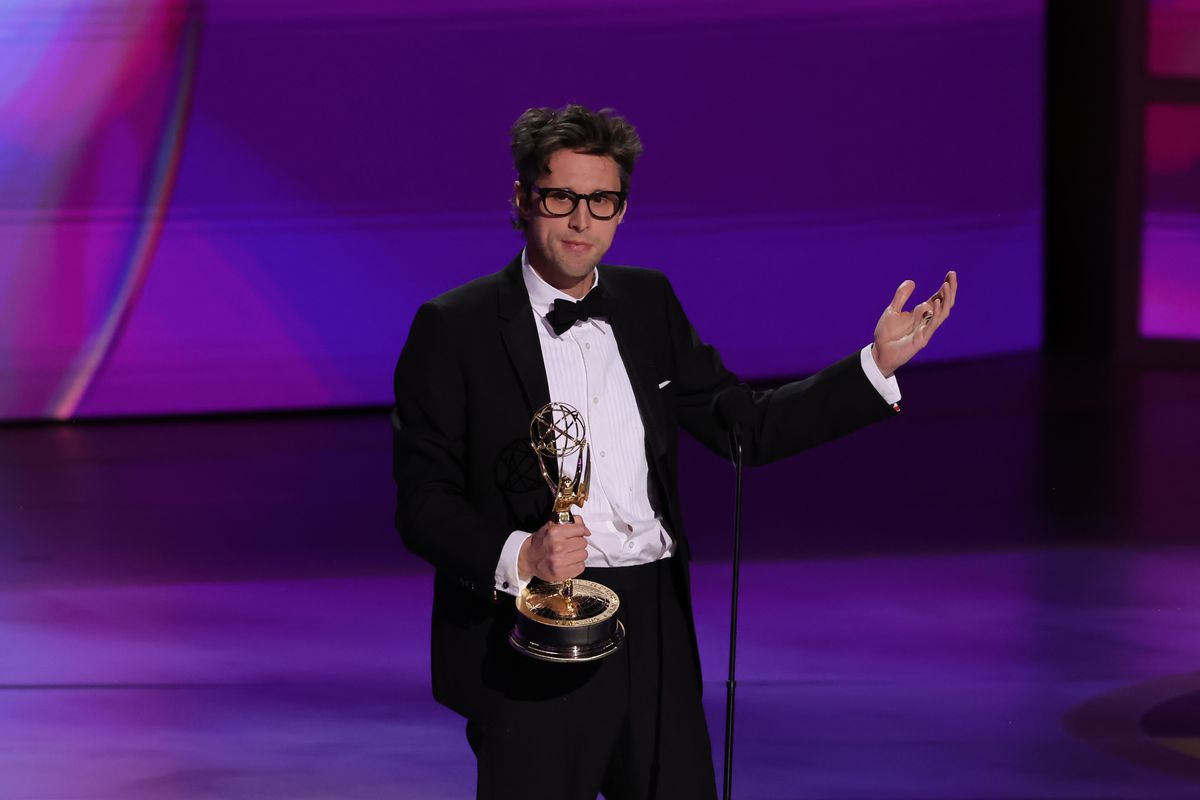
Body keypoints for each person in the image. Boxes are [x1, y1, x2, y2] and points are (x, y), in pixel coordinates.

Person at [392, 104, 957, 800]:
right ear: (522, 199)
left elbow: (744, 425)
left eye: (601, 201)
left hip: (655, 623)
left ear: (621, 210)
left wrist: (873, 365)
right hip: (534, 628)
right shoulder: (455, 328)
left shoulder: (647, 301)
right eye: (561, 197)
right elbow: (422, 503)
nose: (580, 221)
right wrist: (522, 556)